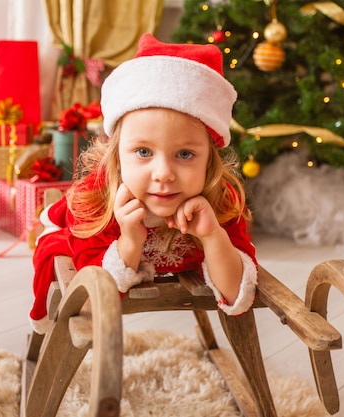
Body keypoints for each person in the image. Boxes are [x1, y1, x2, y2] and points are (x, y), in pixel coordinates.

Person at [29, 33, 258, 334]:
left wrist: (214, 236)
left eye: (185, 154)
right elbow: (90, 300)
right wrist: (130, 240)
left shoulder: (221, 199)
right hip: (79, 238)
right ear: (117, 153)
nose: (163, 173)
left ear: (210, 159)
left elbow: (237, 295)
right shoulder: (95, 198)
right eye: (143, 152)